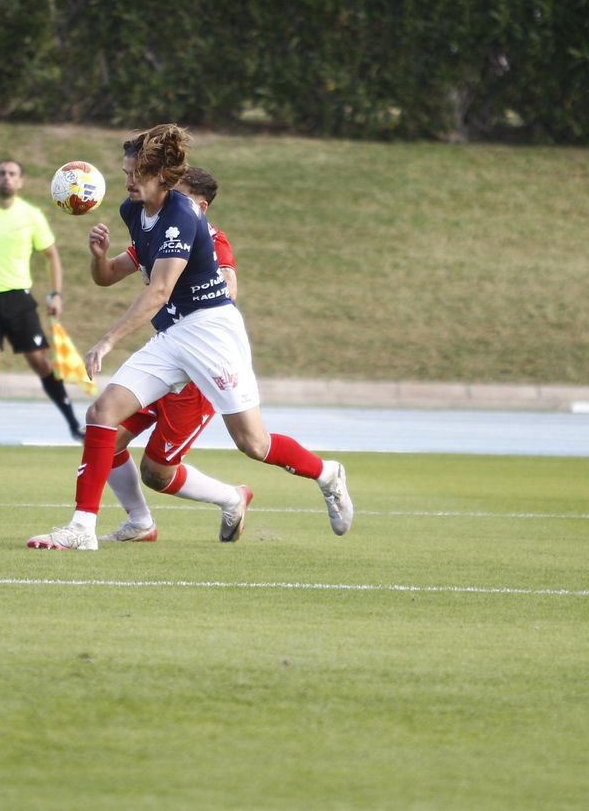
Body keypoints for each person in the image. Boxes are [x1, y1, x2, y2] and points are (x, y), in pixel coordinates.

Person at [26, 124, 353, 550]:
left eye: (135, 174)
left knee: (253, 443)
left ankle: (327, 474)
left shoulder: (183, 214)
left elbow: (159, 291)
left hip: (212, 332)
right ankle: (82, 528)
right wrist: (99, 258)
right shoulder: (132, 211)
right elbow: (109, 278)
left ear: (161, 175)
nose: (127, 182)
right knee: (102, 413)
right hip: (173, 335)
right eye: (125, 173)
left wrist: (108, 340)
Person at [100, 166, 249, 543]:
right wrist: (99, 256)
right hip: (167, 356)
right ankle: (140, 523)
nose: (169, 199)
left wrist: (173, 282)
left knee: (156, 472)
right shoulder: (160, 231)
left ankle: (231, 498)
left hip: (196, 368)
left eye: (178, 194)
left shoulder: (212, 239)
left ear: (200, 206)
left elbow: (228, 289)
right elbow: (110, 272)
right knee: (105, 433)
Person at [0, 159, 84, 445]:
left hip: (19, 300)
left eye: (12, 174)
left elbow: (51, 255)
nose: (6, 178)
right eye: (1, 173)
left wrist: (56, 294)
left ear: (20, 182)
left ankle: (74, 425)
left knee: (41, 363)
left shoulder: (31, 216)